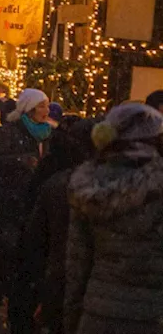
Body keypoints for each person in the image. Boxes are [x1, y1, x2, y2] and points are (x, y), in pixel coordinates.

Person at [65, 103, 163, 334]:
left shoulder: (88, 184)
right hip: (152, 315)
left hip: (98, 313)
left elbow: (78, 264)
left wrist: (71, 316)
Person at [0, 87, 52, 327]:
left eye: (47, 106)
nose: (45, 111)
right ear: (28, 108)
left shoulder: (46, 136)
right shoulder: (8, 133)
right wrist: (21, 162)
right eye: (41, 106)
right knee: (0, 256)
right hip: (5, 206)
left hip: (30, 207)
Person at [19, 119, 94, 334]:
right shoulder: (115, 187)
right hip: (87, 291)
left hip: (60, 283)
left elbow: (35, 241)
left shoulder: (59, 182)